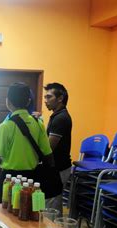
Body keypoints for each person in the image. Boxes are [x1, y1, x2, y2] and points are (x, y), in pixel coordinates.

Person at [0, 82, 53, 200]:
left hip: (10, 179)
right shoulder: (38, 123)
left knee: (4, 213)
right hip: (32, 180)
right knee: (27, 213)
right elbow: (48, 154)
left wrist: (7, 161)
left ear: (8, 101)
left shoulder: (5, 126)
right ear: (28, 102)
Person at [43, 83, 72, 212]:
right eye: (45, 97)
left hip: (59, 168)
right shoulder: (57, 116)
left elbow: (48, 147)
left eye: (49, 97)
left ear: (60, 98)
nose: (46, 101)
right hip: (57, 168)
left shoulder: (61, 118)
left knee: (52, 208)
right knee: (52, 205)